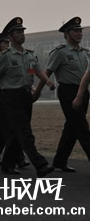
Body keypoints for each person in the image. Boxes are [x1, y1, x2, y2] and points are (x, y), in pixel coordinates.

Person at [0, 17, 55, 177]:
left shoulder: (29, 55)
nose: (22, 34)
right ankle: (40, 164)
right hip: (10, 96)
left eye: (22, 31)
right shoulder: (5, 56)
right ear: (10, 36)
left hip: (25, 95)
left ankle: (7, 164)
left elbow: (38, 70)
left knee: (15, 132)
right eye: (18, 32)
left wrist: (47, 81)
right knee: (25, 131)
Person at [35, 17, 90, 172]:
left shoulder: (85, 53)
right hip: (68, 92)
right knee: (82, 128)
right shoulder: (60, 53)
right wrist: (37, 92)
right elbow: (47, 72)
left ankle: (59, 161)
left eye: (80, 31)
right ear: (66, 34)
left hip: (83, 91)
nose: (79, 34)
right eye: (75, 31)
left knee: (72, 127)